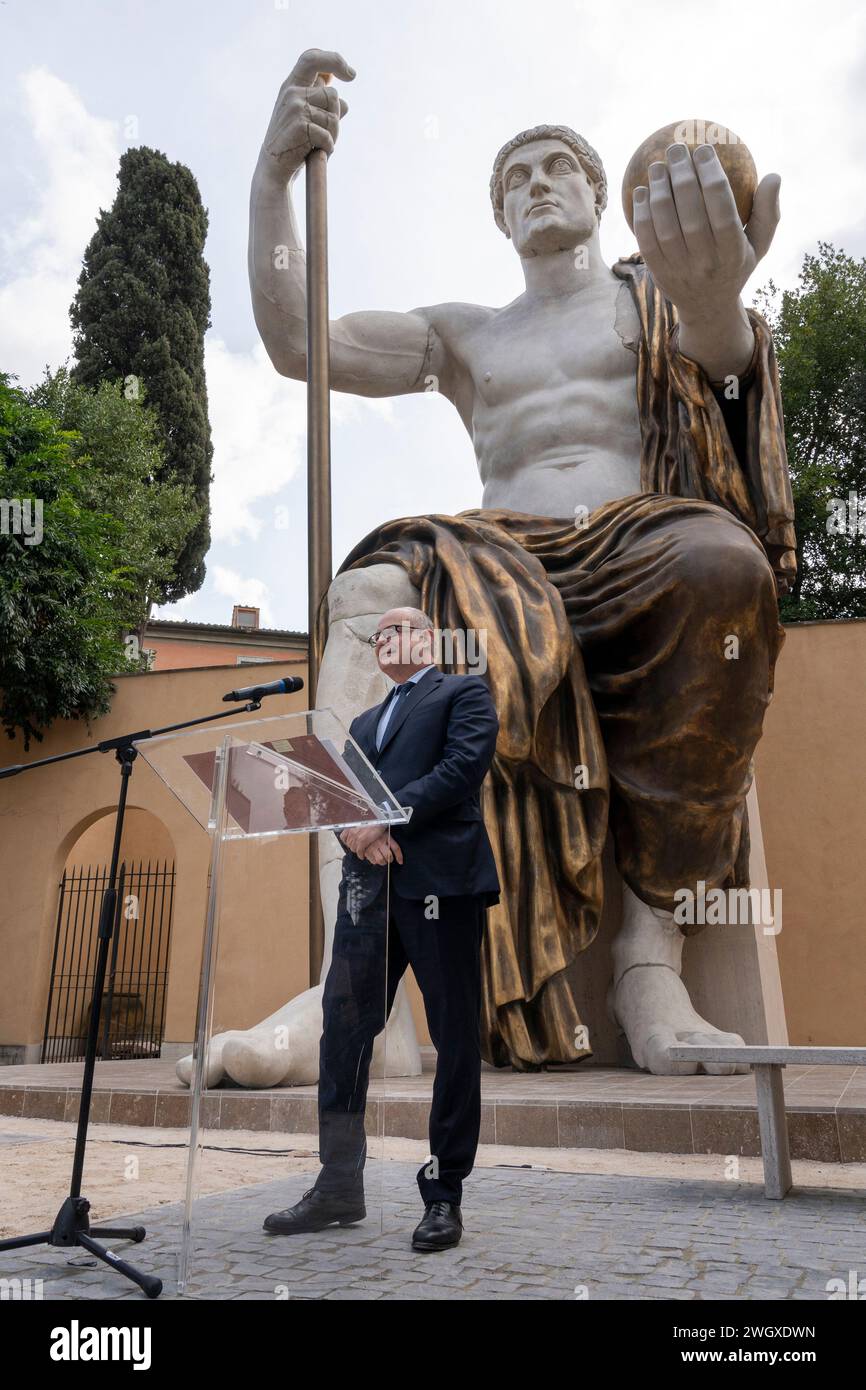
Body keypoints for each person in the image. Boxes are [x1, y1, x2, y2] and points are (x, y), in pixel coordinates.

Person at [249, 49, 795, 1075]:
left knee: (723, 570)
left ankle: (648, 968)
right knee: (366, 590)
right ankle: (360, 987)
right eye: (515, 179)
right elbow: (298, 344)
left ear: (601, 195)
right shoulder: (463, 336)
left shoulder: (655, 300)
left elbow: (728, 385)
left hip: (640, 547)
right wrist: (275, 173)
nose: (536, 184)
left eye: (556, 168)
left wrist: (714, 302)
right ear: (499, 219)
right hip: (499, 564)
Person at [264, 608, 500, 1250]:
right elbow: (340, 797)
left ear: (428, 637)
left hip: (440, 887)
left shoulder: (463, 691)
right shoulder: (364, 723)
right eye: (378, 637)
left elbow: (461, 771)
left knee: (452, 1033)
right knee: (342, 1029)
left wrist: (389, 823)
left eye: (396, 630)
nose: (384, 641)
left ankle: (444, 1194)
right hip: (369, 893)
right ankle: (339, 1184)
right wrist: (354, 832)